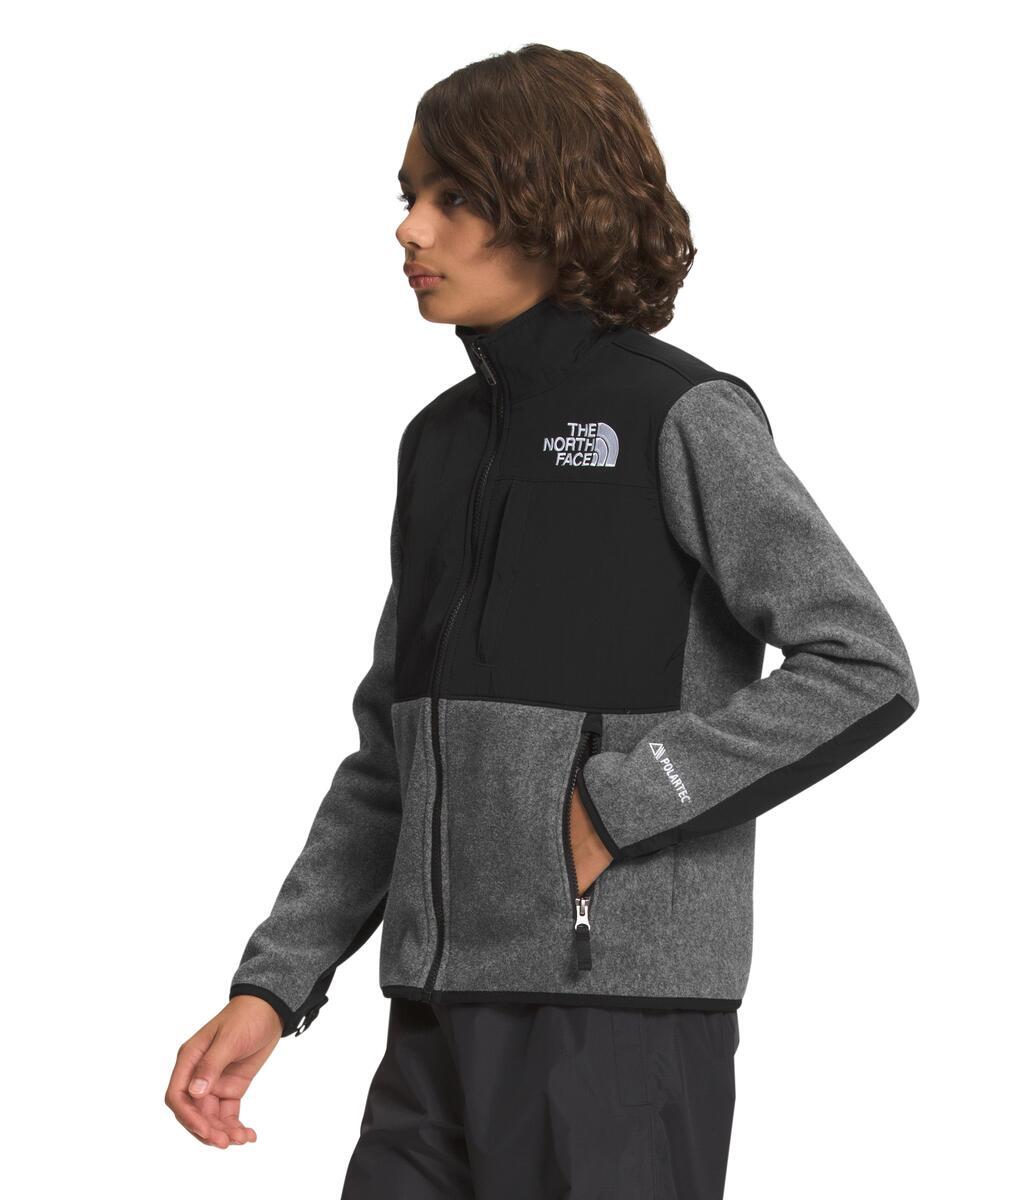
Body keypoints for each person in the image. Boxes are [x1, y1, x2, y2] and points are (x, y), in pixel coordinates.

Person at [165, 44, 919, 1199]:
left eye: (453, 198)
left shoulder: (680, 417)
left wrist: (625, 802)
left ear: (554, 207)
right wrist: (276, 983)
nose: (410, 229)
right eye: (408, 195)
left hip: (615, 1024)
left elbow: (862, 663)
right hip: (434, 1018)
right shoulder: (441, 444)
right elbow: (393, 755)